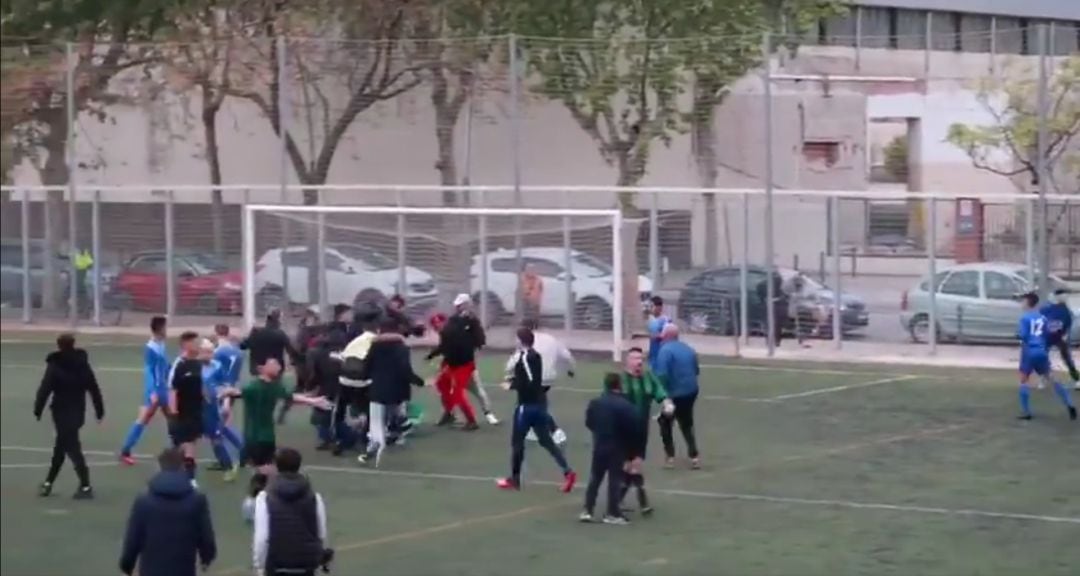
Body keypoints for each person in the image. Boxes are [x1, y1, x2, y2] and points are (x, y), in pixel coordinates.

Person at [496, 327, 577, 492]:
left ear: (520, 340)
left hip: (526, 407)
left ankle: (515, 480)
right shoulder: (536, 356)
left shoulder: (524, 357)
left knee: (517, 443)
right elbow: (532, 378)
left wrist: (511, 385)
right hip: (539, 405)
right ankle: (568, 472)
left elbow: (530, 382)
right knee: (545, 440)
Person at [119, 448, 217, 576]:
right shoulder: (197, 501)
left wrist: (127, 565)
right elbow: (207, 540)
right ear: (182, 467)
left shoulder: (143, 502)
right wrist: (206, 559)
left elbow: (132, 540)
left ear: (160, 467)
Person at [33, 333, 104, 499]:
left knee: (71, 449)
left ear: (59, 345)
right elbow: (94, 389)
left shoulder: (55, 366)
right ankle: (49, 483)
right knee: (62, 448)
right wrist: (99, 410)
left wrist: (38, 408)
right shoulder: (83, 364)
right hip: (78, 412)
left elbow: (45, 388)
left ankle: (85, 486)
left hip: (60, 412)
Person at [356, 318, 425, 467]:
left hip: (378, 391)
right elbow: (405, 370)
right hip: (397, 392)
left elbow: (366, 367)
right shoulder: (402, 348)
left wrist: (364, 379)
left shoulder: (374, 347)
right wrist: (420, 382)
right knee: (396, 416)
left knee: (376, 424)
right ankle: (395, 437)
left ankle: (374, 449)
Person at [252, 448, 332, 576]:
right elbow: (321, 533)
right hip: (306, 565)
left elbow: (262, 538)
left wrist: (260, 566)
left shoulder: (264, 498)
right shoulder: (315, 498)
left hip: (277, 565)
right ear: (299, 467)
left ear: (277, 467)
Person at [617, 347, 672, 514]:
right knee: (631, 466)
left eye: (641, 359)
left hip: (641, 430)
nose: (639, 362)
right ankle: (643, 503)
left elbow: (660, 393)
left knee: (633, 465)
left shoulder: (648, 378)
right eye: (635, 358)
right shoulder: (620, 380)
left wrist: (667, 404)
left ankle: (618, 500)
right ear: (627, 361)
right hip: (623, 430)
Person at [580, 373, 640, 525]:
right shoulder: (625, 405)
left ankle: (587, 510)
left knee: (595, 478)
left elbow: (589, 422)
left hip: (600, 444)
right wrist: (632, 453)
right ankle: (612, 512)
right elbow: (632, 429)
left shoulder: (595, 403)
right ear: (619, 385)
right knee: (614, 479)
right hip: (617, 446)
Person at [427, 294, 491, 430]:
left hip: (464, 364)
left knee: (464, 392)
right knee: (442, 383)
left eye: (439, 323)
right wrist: (432, 356)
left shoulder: (467, 323)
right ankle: (449, 412)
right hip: (453, 363)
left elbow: (478, 340)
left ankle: (473, 420)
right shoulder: (453, 324)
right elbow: (445, 346)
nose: (437, 326)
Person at [1016, 292, 1076, 421]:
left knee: (1024, 380)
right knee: (1052, 378)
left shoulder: (1025, 318)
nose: (1021, 304)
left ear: (1028, 303)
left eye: (1023, 301)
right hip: (1041, 351)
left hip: (1028, 352)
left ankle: (1026, 412)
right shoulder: (1043, 318)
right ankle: (1070, 405)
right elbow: (1049, 333)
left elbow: (1023, 336)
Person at [120, 315, 170, 465]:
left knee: (173, 419)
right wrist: (153, 392)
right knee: (143, 419)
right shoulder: (151, 348)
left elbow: (164, 367)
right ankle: (125, 450)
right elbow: (150, 371)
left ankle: (178, 449)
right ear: (159, 329)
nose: (167, 330)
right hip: (155, 391)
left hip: (163, 389)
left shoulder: (161, 344)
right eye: (165, 327)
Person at [518, 318, 574, 445]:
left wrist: (510, 374)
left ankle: (555, 431)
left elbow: (518, 359)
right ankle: (533, 429)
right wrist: (570, 370)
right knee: (535, 402)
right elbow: (567, 356)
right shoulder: (551, 339)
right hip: (549, 378)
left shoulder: (526, 341)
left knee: (534, 405)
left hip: (536, 378)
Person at [653, 323, 702, 468]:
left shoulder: (665, 351)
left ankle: (670, 456)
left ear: (666, 335)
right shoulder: (689, 349)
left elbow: (662, 375)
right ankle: (694, 456)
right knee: (686, 423)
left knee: (665, 422)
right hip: (691, 391)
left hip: (675, 394)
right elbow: (696, 371)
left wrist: (663, 396)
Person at [198, 339, 239, 482]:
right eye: (205, 352)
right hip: (193, 408)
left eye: (210, 352)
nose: (208, 355)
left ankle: (228, 467)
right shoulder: (192, 366)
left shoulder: (217, 366)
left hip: (211, 409)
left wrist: (226, 404)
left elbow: (226, 386)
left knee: (216, 438)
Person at [168, 331, 205, 484]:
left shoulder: (198, 364)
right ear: (186, 345)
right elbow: (172, 389)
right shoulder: (179, 365)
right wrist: (174, 412)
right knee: (185, 446)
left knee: (189, 444)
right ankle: (187, 478)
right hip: (182, 412)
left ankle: (187, 477)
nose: (199, 345)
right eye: (196, 342)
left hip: (196, 411)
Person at [210, 325, 245, 461]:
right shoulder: (237, 351)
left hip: (220, 391)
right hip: (233, 389)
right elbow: (234, 375)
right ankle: (232, 456)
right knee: (224, 424)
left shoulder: (217, 352)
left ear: (216, 333)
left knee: (218, 425)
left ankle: (241, 451)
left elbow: (218, 375)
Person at [1040, 288, 1078, 391]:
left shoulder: (1065, 310)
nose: (1065, 297)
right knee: (1043, 357)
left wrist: (1065, 334)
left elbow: (1068, 323)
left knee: (1067, 358)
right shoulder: (1047, 308)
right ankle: (1044, 378)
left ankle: (1076, 379)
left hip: (1060, 337)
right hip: (1048, 336)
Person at [646, 296, 669, 366]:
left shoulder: (665, 320)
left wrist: (651, 336)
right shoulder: (651, 320)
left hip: (662, 353)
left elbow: (667, 336)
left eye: (651, 306)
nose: (650, 308)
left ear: (659, 307)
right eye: (649, 306)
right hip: (653, 353)